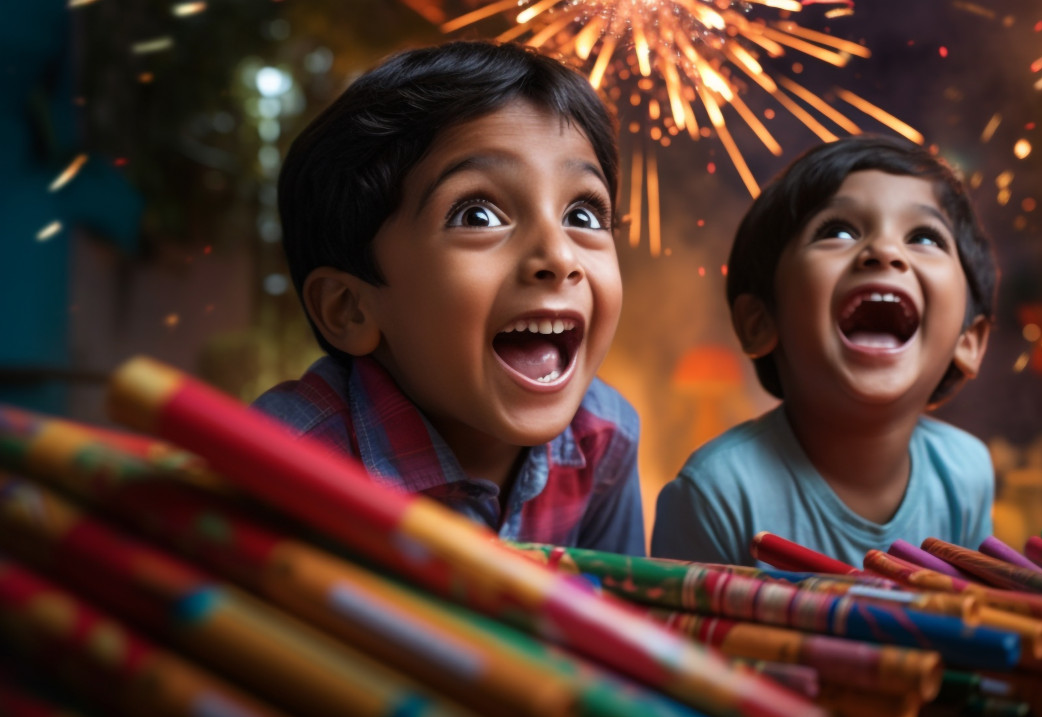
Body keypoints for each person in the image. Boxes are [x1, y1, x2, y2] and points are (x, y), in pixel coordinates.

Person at [253, 41, 644, 555]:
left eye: (583, 215)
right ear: (349, 308)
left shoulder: (605, 438)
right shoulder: (277, 465)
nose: (559, 255)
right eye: (477, 216)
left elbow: (618, 617)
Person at [651, 135, 998, 567]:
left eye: (925, 237)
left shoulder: (967, 474)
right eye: (837, 231)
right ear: (760, 322)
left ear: (969, 341)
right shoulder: (718, 493)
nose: (885, 251)